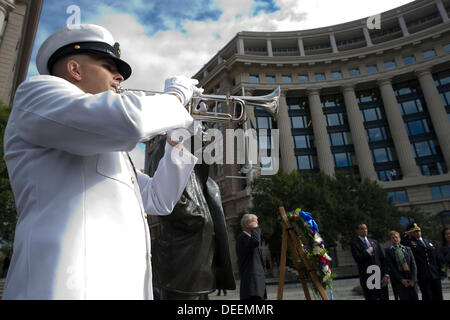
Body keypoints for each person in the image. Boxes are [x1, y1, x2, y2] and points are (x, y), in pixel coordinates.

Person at [2, 24, 202, 299]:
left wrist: (176, 141)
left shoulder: (108, 144)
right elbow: (131, 122)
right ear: (75, 70)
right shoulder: (36, 93)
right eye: (109, 66)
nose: (120, 76)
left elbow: (159, 199)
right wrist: (176, 98)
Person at [147, 135, 235, 300]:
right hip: (182, 257)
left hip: (197, 254)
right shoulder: (165, 145)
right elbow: (166, 196)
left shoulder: (194, 146)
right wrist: (200, 217)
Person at [401, 223, 445, 300]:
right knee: (427, 295)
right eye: (415, 231)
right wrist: (406, 234)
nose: (418, 232)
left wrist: (442, 271)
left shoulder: (429, 242)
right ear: (411, 233)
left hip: (434, 273)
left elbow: (437, 257)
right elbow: (401, 240)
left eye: (419, 231)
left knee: (438, 295)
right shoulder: (410, 243)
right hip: (423, 274)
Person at [349, 223, 389, 300]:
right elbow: (358, 258)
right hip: (368, 277)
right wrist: (367, 252)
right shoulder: (354, 243)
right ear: (357, 231)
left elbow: (382, 259)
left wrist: (386, 275)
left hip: (380, 277)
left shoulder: (374, 242)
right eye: (362, 229)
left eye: (366, 228)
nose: (365, 230)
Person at [236, 213, 267, 300]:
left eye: (257, 223)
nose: (257, 224)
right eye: (254, 222)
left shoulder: (249, 238)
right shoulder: (243, 238)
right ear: (246, 224)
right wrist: (255, 228)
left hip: (256, 284)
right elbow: (256, 242)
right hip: (252, 284)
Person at [384, 231, 418, 300]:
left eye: (396, 237)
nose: (395, 239)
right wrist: (401, 279)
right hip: (400, 280)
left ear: (399, 238)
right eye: (392, 238)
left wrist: (413, 279)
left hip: (410, 278)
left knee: (414, 297)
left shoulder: (407, 249)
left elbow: (413, 264)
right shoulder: (388, 251)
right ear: (390, 240)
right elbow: (392, 267)